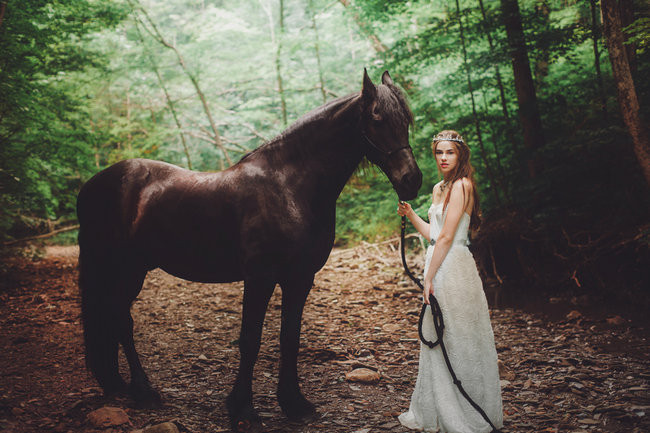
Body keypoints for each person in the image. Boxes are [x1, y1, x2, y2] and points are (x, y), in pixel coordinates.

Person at [396, 130, 503, 432]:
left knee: (459, 337)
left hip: (453, 266)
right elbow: (433, 234)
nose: (443, 158)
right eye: (439, 152)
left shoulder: (462, 186)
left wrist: (427, 277)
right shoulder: (438, 188)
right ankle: (440, 409)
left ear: (461, 155)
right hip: (438, 261)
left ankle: (468, 411)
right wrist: (412, 215)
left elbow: (447, 238)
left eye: (450, 152)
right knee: (437, 336)